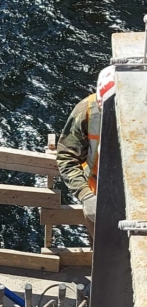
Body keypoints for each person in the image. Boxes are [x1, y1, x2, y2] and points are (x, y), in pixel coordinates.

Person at [56, 66, 116, 239]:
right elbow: (67, 156)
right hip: (98, 194)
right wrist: (85, 195)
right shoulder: (87, 111)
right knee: (105, 251)